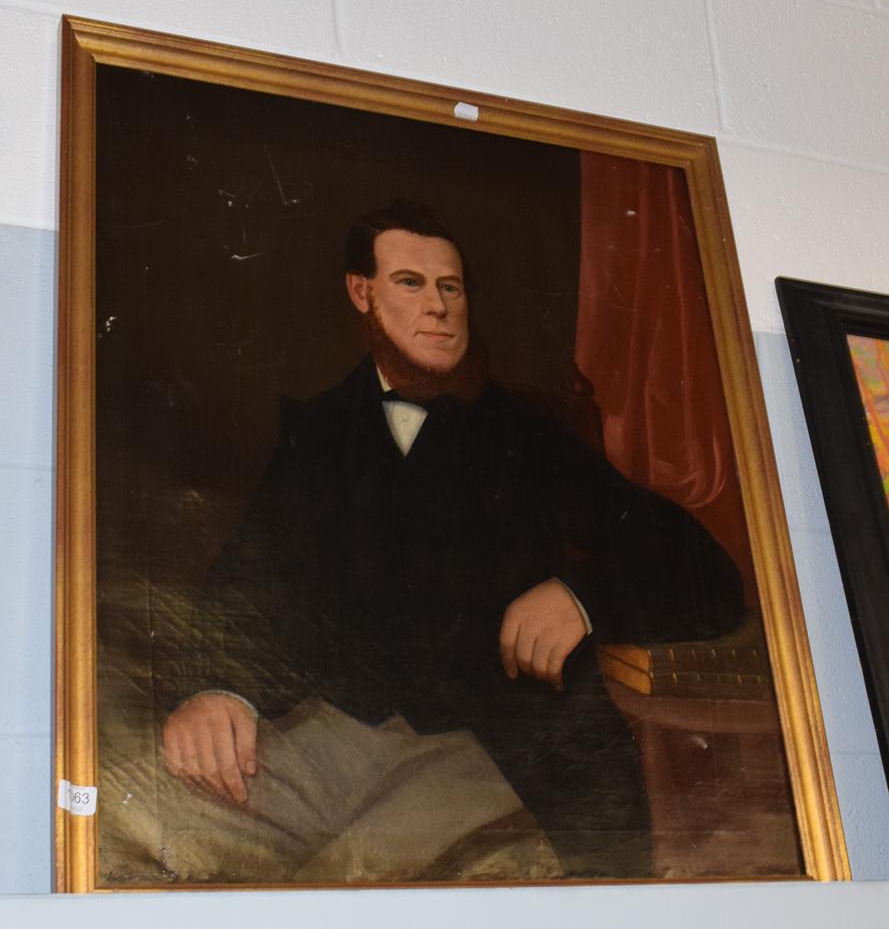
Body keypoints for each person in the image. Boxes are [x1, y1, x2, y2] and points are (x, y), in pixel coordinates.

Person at [158, 201, 744, 882]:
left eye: (451, 287)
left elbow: (700, 567)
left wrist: (581, 596)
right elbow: (248, 574)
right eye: (410, 282)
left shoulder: (524, 434)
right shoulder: (318, 430)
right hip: (338, 728)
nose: (437, 306)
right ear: (361, 291)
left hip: (494, 743)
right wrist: (212, 686)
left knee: (353, 884)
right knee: (161, 829)